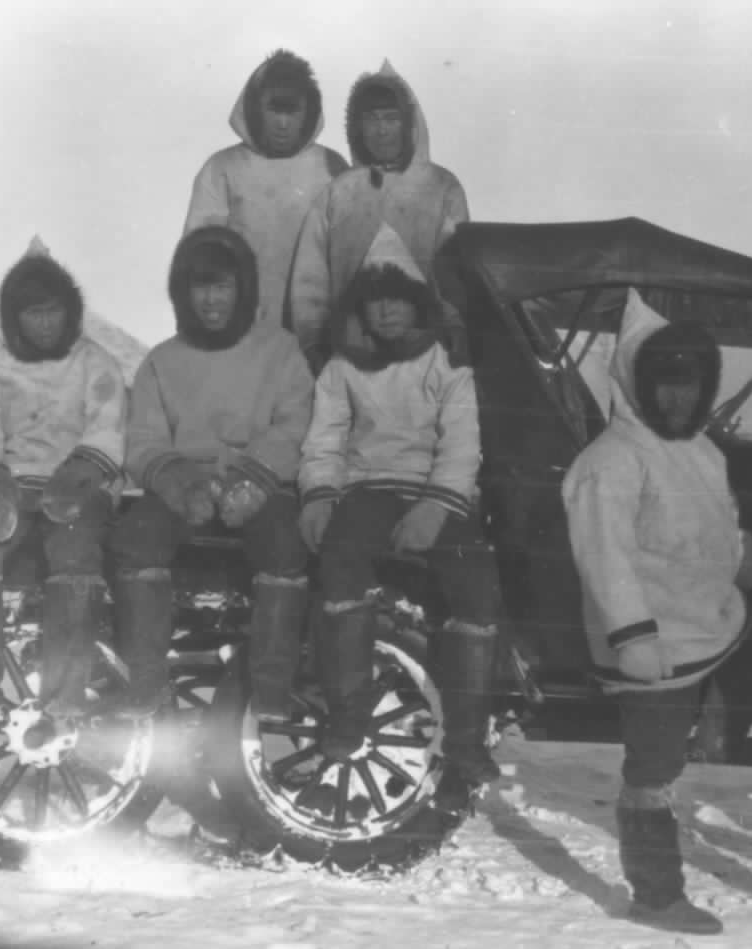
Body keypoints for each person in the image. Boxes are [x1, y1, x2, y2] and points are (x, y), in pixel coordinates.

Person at [562, 290, 752, 937]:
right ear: (635, 383)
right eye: (663, 385)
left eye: (689, 385)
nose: (677, 400)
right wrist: (633, 638)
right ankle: (656, 894)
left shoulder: (702, 452)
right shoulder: (608, 461)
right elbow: (604, 559)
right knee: (652, 770)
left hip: (711, 627)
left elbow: (723, 541)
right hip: (653, 645)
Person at [297, 223, 502, 815]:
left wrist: (436, 507)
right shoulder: (343, 368)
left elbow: (462, 445)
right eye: (375, 301)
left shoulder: (446, 364)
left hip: (434, 491)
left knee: (476, 587)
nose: (386, 312)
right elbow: (325, 440)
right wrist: (318, 494)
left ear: (417, 304)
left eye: (397, 300)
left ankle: (465, 737)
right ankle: (348, 709)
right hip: (366, 488)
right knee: (340, 564)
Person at [108, 222, 315, 720]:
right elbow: (144, 441)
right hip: (187, 486)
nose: (211, 300)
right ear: (183, 294)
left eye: (221, 285)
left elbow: (296, 422)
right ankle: (147, 682)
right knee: (135, 541)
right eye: (200, 287)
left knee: (287, 549)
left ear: (242, 288)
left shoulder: (280, 350)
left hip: (262, 485)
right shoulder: (162, 362)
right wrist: (178, 483)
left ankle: (270, 689)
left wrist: (256, 478)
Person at [0, 237, 127, 722]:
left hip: (79, 486)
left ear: (70, 311)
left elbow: (109, 428)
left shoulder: (95, 363)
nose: (44, 322)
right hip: (15, 485)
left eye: (52, 310)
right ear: (13, 318)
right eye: (31, 313)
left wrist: (82, 473)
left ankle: (65, 696)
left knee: (74, 553)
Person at [288, 59, 470, 375]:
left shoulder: (442, 187)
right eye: (370, 119)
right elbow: (310, 280)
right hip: (352, 356)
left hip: (427, 354)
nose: (381, 129)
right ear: (357, 127)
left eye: (391, 118)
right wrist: (312, 345)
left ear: (408, 124)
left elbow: (459, 271)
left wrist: (455, 332)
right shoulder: (338, 193)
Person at [183, 49, 349, 347]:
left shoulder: (331, 169)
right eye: (275, 109)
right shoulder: (222, 170)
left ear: (309, 112)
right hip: (240, 336)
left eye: (292, 110)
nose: (283, 123)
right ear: (255, 108)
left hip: (315, 338)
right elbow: (199, 263)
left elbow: (348, 258)